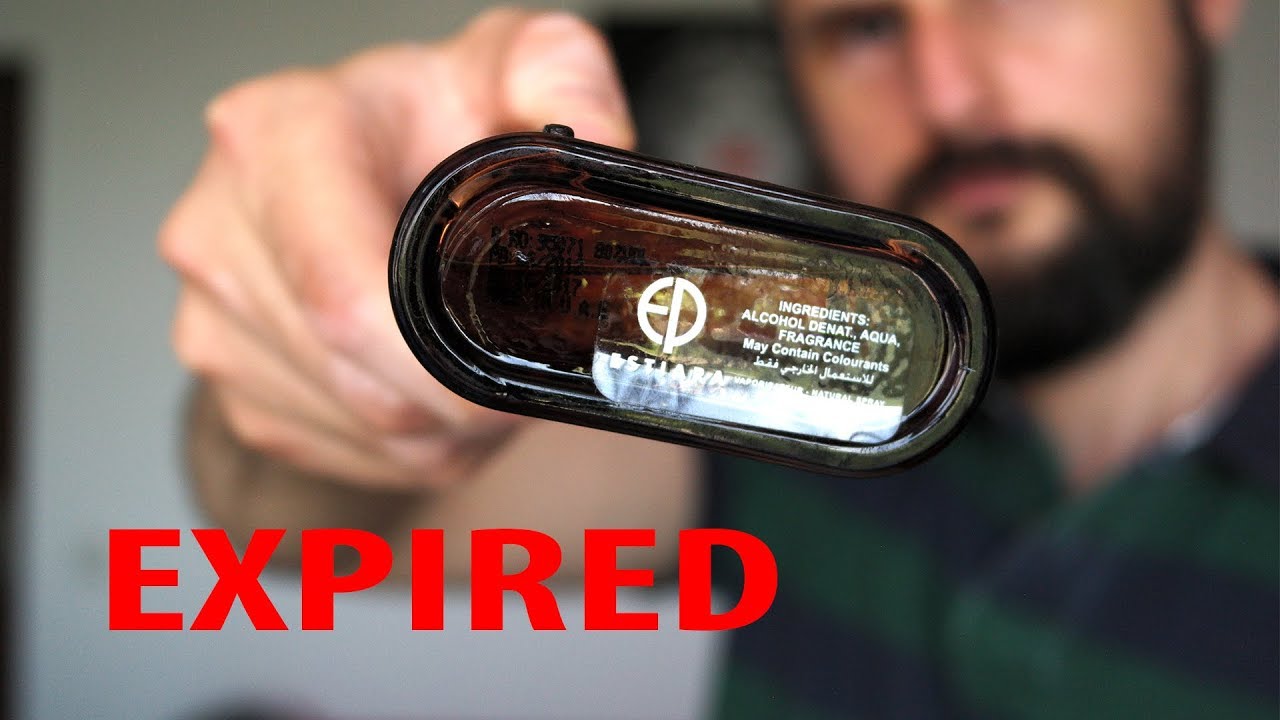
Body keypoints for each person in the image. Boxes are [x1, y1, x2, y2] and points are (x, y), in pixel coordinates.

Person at [158, 1, 1279, 718]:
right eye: (863, 27)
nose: (947, 94)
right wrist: (326, 335)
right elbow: (278, 515)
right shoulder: (757, 395)